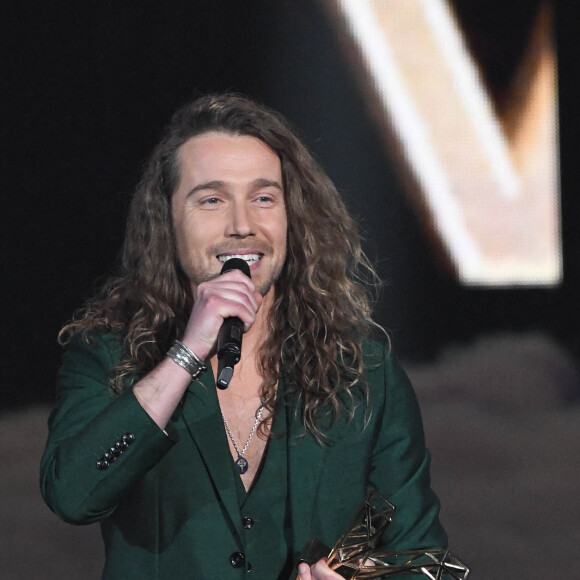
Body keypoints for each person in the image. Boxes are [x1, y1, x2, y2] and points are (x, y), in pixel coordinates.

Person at [40, 94, 447, 579]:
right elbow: (73, 493)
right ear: (167, 220)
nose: (242, 226)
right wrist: (187, 354)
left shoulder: (363, 369)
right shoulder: (108, 353)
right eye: (211, 199)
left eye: (263, 198)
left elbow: (421, 559)